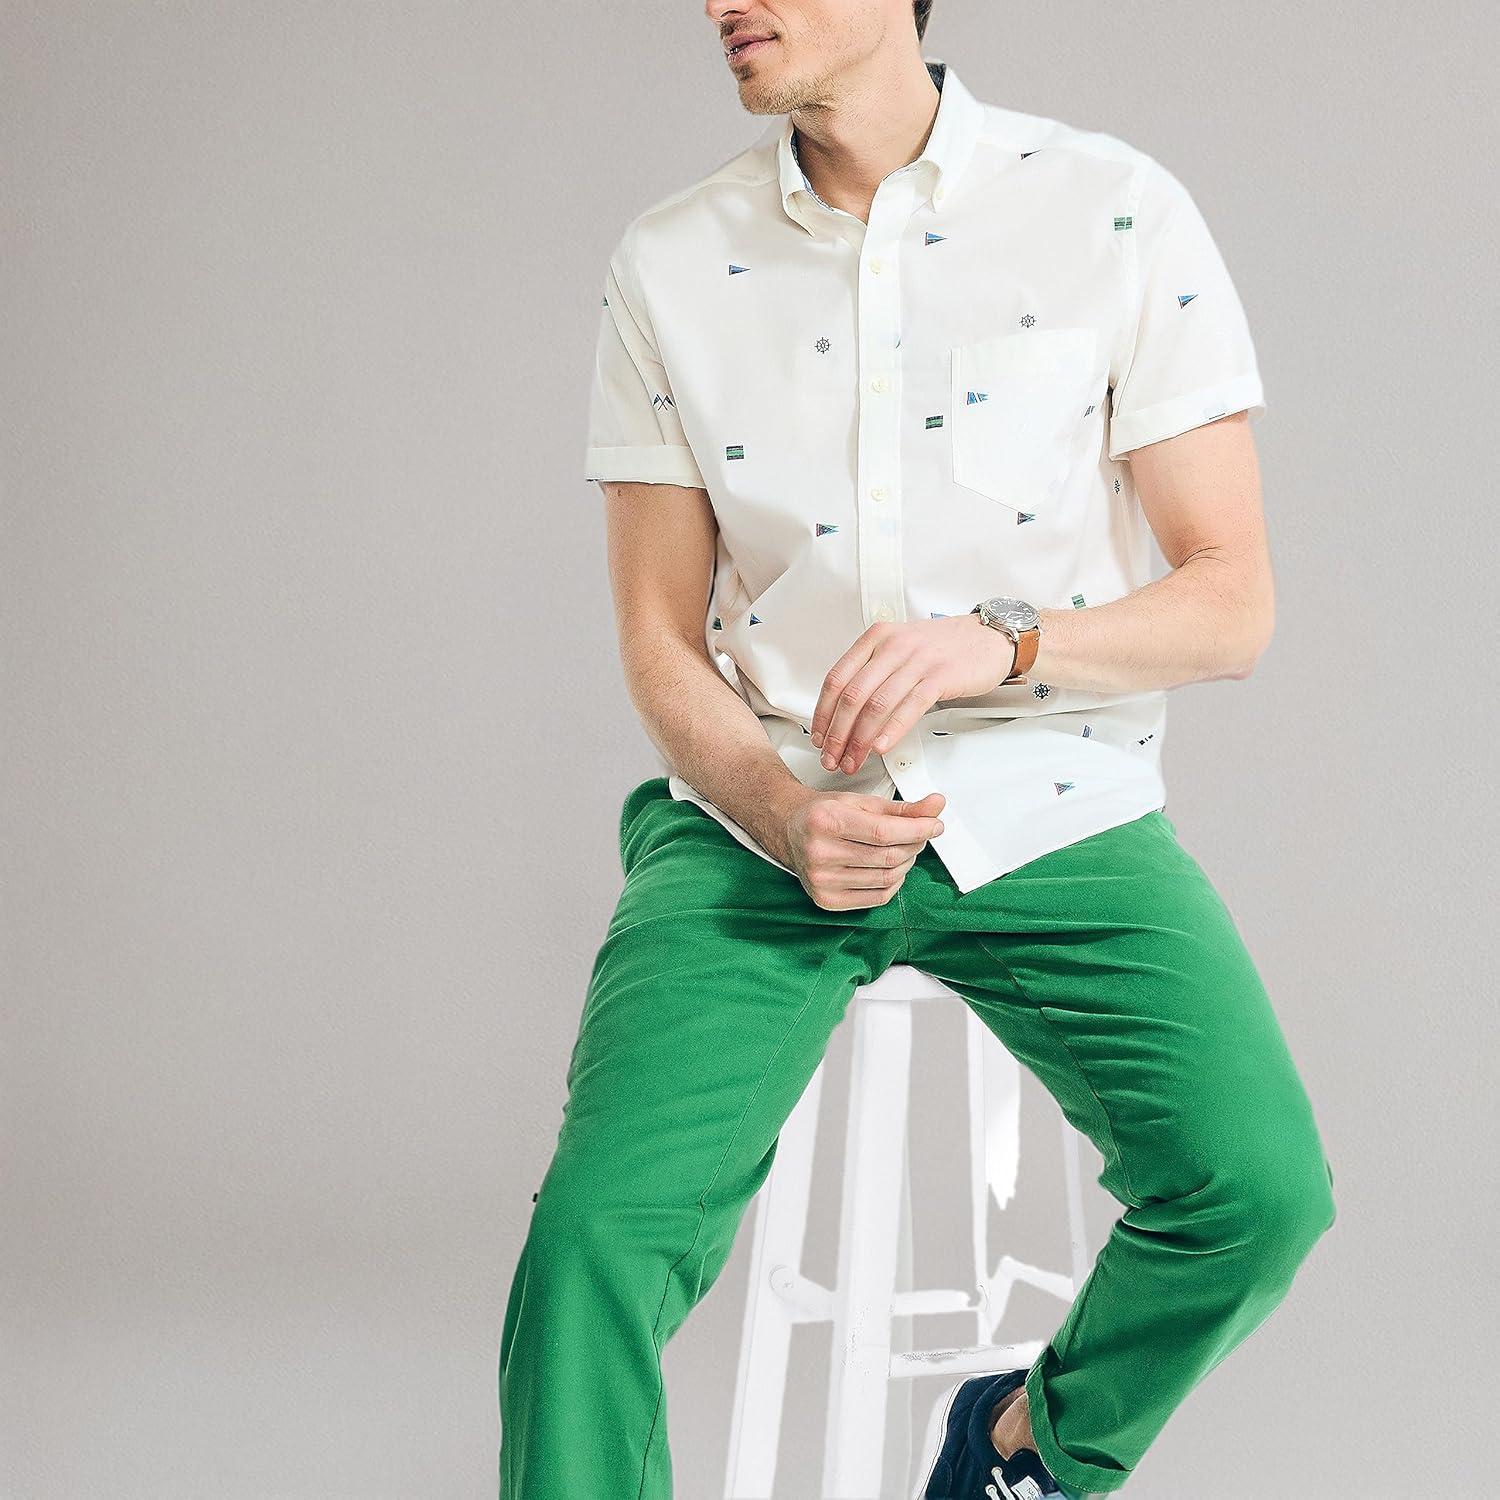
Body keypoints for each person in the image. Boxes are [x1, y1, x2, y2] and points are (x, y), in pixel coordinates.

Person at [498, 3, 1337, 1496]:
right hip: (761, 828)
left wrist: (1000, 644)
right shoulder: (669, 264)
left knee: (1258, 1191)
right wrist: (777, 811)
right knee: (590, 1250)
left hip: (1051, 809)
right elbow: (659, 644)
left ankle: (1024, 1447)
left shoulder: (1112, 210)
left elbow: (1234, 603)